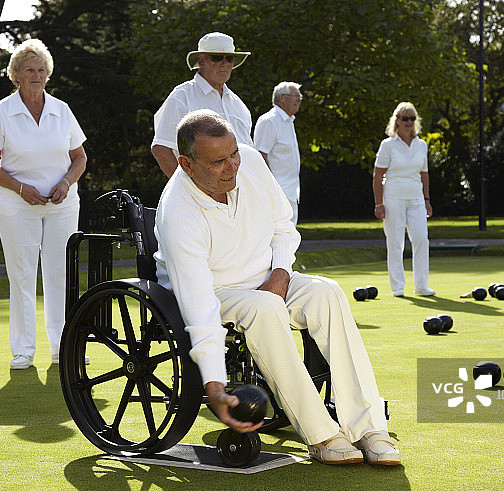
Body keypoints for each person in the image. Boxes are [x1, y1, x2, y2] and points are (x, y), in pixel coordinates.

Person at [154, 110, 401, 466]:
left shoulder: (250, 162)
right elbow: (197, 304)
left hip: (267, 278)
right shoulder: (177, 211)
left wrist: (282, 271)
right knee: (265, 308)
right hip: (215, 291)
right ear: (186, 165)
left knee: (327, 292)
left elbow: (283, 225)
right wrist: (214, 385)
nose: (233, 166)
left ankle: (369, 428)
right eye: (218, 161)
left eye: (234, 154)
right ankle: (322, 436)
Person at [0, 39, 87, 370]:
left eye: (41, 70)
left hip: (61, 206)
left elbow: (79, 158)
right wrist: (21, 188)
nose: (36, 75)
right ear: (16, 76)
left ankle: (61, 348)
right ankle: (23, 351)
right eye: (29, 70)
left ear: (48, 74)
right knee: (22, 276)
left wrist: (66, 183)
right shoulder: (2, 111)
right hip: (16, 206)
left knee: (59, 275)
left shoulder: (62, 110)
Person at [151, 32, 252, 178]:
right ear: (201, 60)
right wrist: (188, 189)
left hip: (242, 193)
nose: (224, 63)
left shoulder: (239, 104)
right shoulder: (182, 96)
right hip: (201, 195)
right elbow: (161, 148)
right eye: (216, 58)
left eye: (229, 58)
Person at [372, 102, 434, 297]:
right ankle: (398, 286)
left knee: (421, 240)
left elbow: (424, 174)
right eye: (405, 118)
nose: (408, 122)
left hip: (416, 198)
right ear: (397, 120)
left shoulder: (421, 145)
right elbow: (377, 176)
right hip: (393, 199)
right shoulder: (387, 145)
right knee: (395, 242)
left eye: (412, 118)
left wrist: (426, 199)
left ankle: (421, 286)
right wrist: (379, 203)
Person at [254, 82, 303, 225]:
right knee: (275, 241)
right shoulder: (270, 121)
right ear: (282, 98)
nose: (299, 99)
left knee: (289, 241)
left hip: (290, 194)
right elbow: (260, 157)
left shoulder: (288, 121)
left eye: (300, 96)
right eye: (296, 96)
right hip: (276, 195)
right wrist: (272, 191)